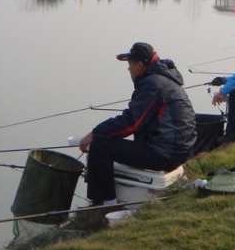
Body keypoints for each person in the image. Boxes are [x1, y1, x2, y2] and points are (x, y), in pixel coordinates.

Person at [78, 42, 197, 206]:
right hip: (181, 151)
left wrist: (95, 133)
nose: (128, 69)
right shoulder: (165, 80)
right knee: (106, 138)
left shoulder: (152, 84)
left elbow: (132, 123)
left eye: (130, 64)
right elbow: (136, 116)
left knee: (100, 144)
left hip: (165, 154)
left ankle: (104, 203)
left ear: (140, 65)